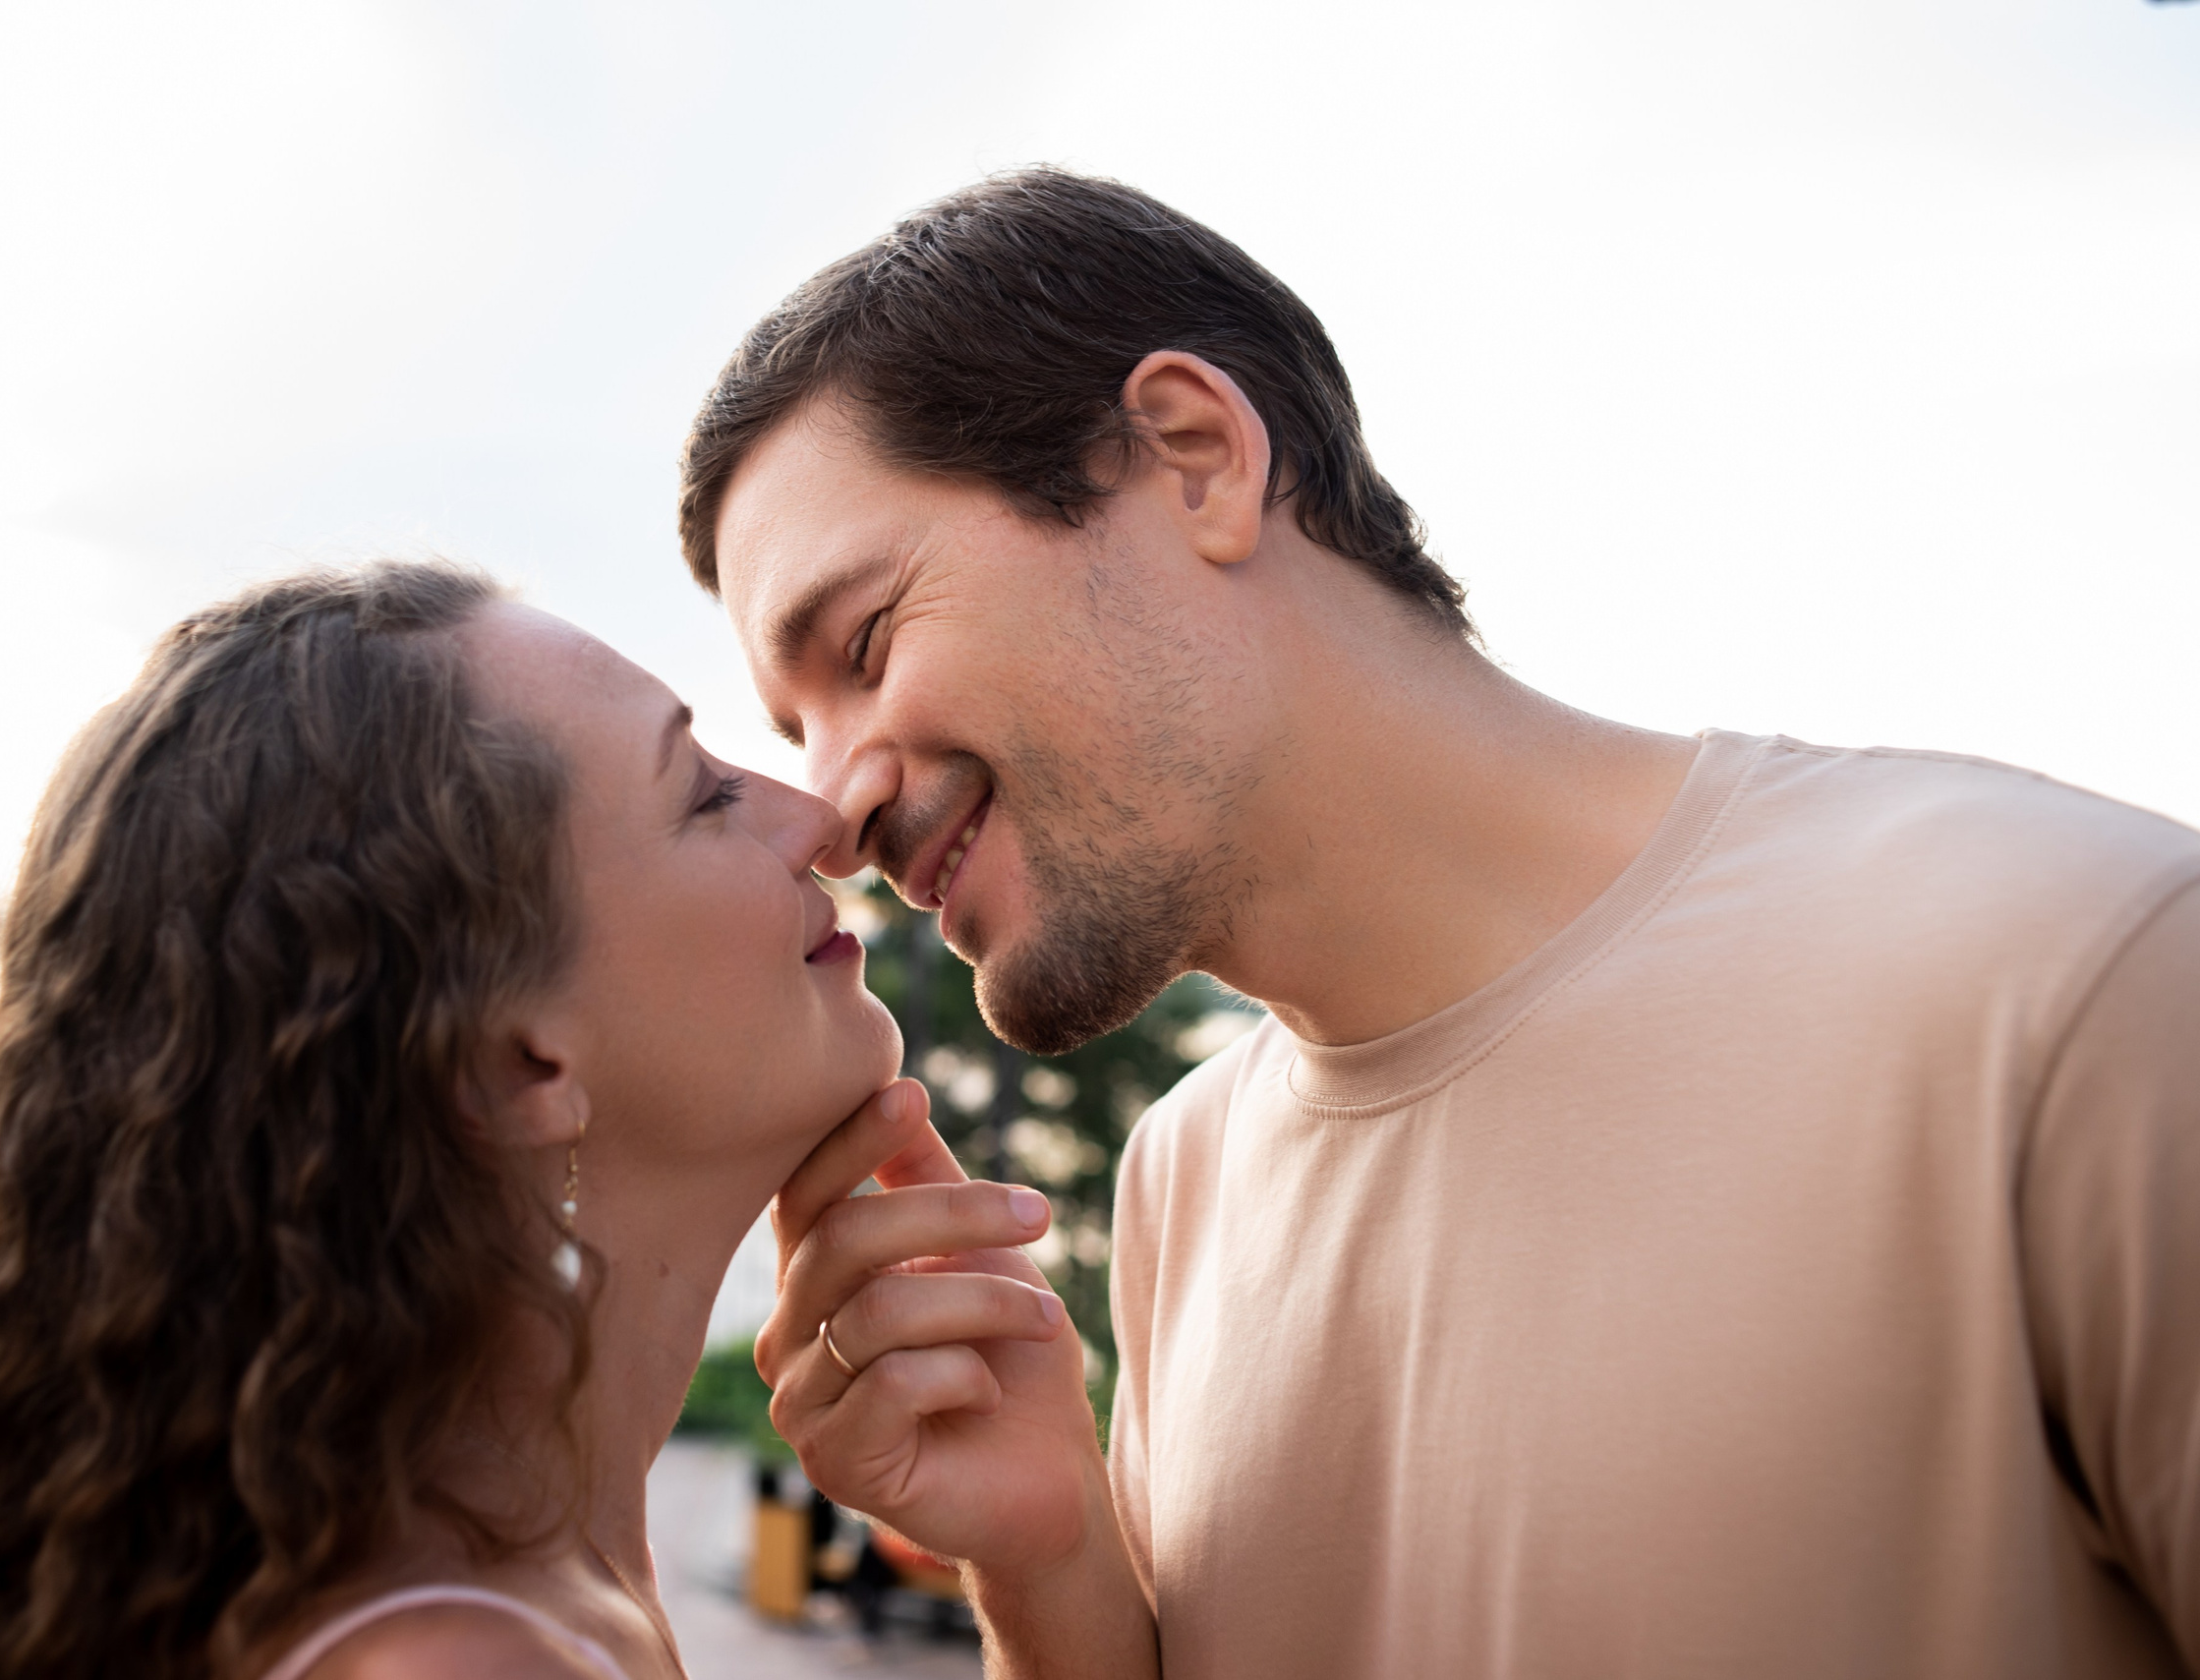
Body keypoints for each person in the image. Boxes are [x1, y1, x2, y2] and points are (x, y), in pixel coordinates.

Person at [679, 168, 2200, 1677]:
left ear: (1193, 457)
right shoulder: (1181, 1183)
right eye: (796, 723)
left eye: (865, 643)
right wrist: (1051, 1563)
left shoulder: (2070, 973)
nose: (832, 810)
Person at [0, 562, 1052, 1680]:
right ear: (519, 1064)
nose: (819, 818)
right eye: (702, 793)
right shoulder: (461, 1652)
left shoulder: (516, 1580)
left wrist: (1038, 1559)